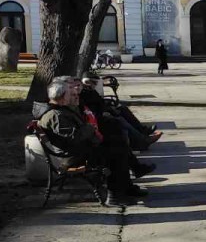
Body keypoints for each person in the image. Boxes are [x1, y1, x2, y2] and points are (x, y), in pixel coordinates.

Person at [37, 77, 143, 206]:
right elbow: (75, 137)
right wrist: (90, 127)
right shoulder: (56, 115)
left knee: (117, 141)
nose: (74, 96)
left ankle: (126, 188)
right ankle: (114, 196)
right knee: (115, 151)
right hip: (73, 156)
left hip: (78, 149)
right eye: (70, 94)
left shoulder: (61, 110)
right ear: (61, 97)